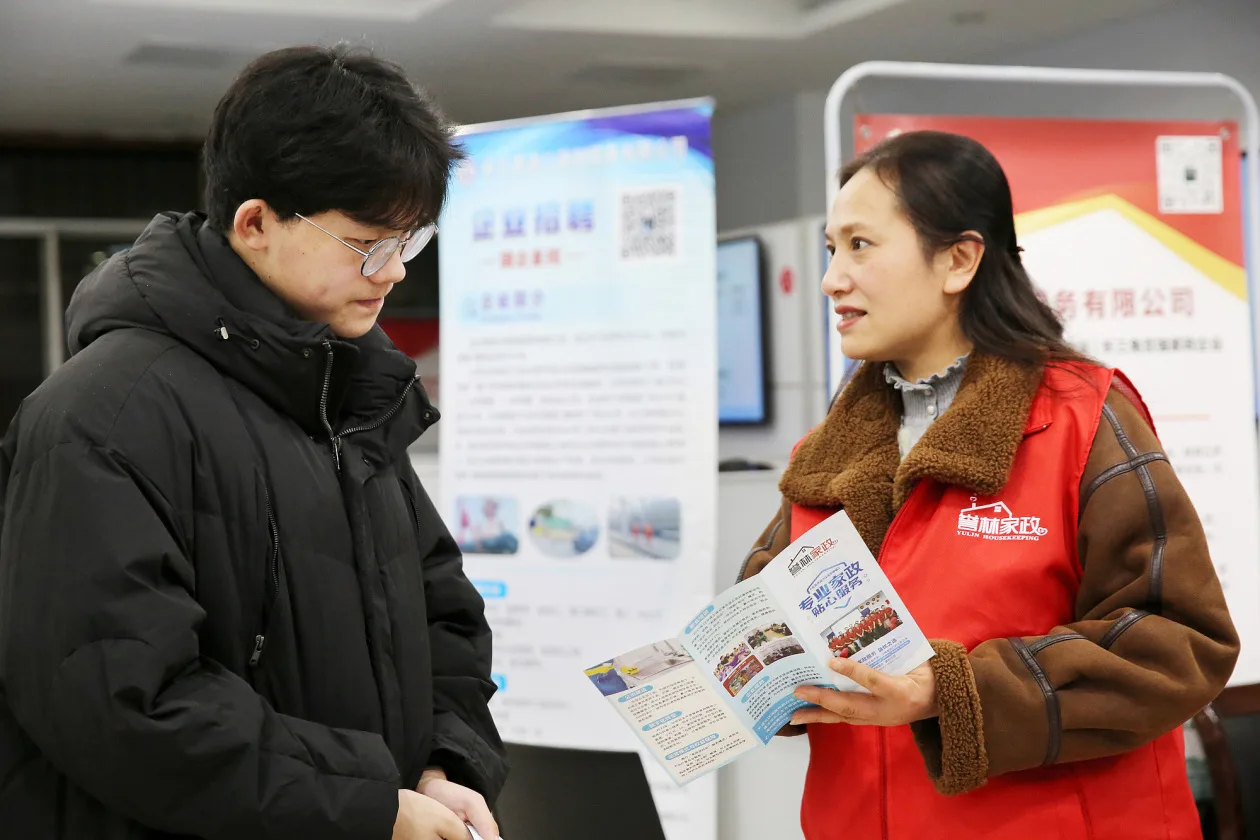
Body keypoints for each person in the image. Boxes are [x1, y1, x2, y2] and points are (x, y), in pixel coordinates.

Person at [0, 45, 506, 840]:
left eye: (410, 242)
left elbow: (442, 609)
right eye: (368, 244)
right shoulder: (104, 414)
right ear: (256, 223)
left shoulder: (349, 392)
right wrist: (366, 808)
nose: (394, 273)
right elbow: (120, 701)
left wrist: (445, 762)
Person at [737, 130, 1237, 839]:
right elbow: (767, 616)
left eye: (860, 246)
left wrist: (955, 691)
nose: (832, 280)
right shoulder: (826, 453)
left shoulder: (1081, 420)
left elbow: (1179, 641)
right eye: (831, 249)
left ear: (959, 260)